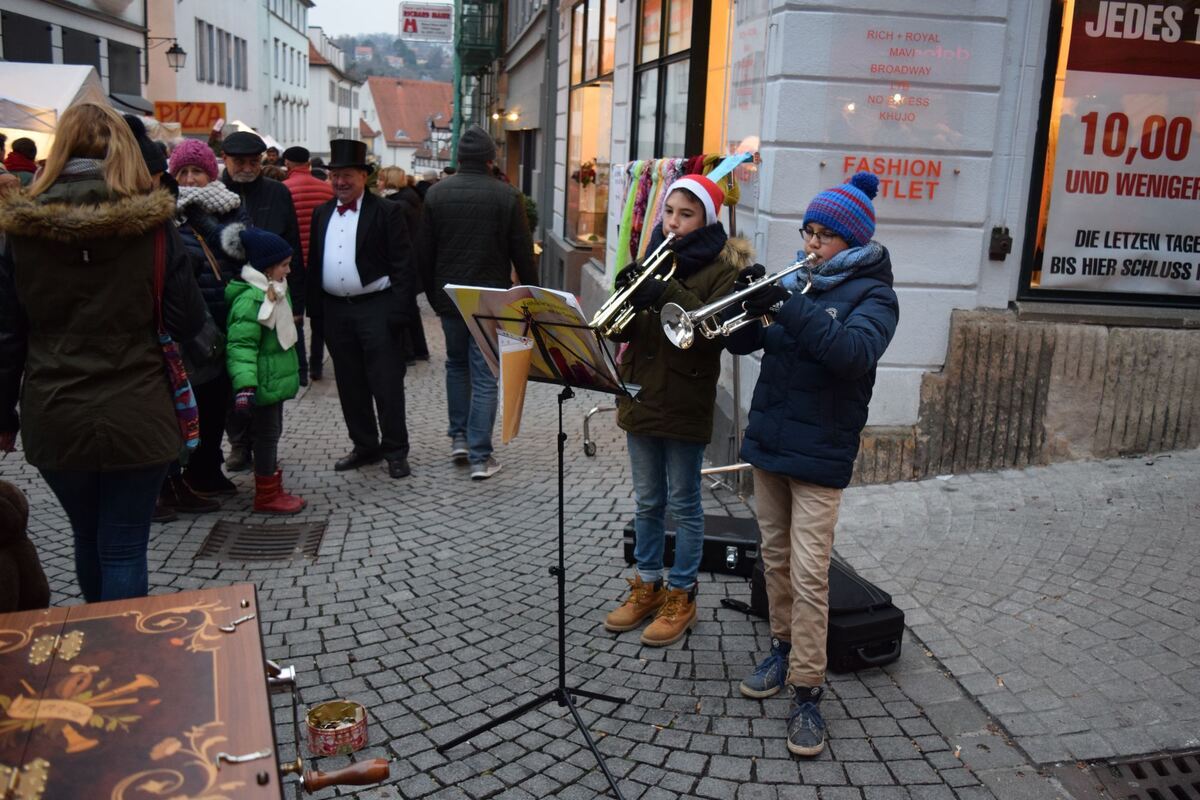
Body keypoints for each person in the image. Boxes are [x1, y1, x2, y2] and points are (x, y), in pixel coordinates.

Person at [0, 102, 207, 602]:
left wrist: (4, 414)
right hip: (139, 406)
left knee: (87, 536)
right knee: (124, 545)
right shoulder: (154, 225)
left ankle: (97, 656)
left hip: (56, 408)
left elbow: (7, 335)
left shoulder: (20, 230)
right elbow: (188, 320)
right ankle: (126, 659)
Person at [726, 172, 898, 757]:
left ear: (852, 241)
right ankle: (780, 646)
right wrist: (743, 320)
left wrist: (785, 307)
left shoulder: (876, 296)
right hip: (773, 442)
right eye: (808, 232)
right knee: (773, 560)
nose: (810, 244)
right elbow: (768, 345)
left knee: (809, 574)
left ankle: (807, 689)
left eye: (824, 236)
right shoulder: (802, 283)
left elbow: (849, 355)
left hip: (820, 452)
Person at [601, 175, 746, 646]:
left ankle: (682, 593)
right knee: (647, 500)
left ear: (706, 218)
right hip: (642, 395)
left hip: (685, 398)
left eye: (687, 215)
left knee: (684, 503)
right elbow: (628, 333)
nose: (674, 224)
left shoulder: (723, 268)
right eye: (669, 213)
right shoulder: (655, 259)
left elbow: (709, 333)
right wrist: (625, 302)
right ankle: (647, 584)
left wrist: (661, 293)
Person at [418, 125, 536, 479]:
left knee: (456, 365)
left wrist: (433, 295)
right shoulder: (506, 196)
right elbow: (522, 252)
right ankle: (480, 456)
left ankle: (459, 438)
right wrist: (532, 296)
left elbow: (424, 253)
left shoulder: (436, 194)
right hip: (490, 300)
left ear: (459, 158)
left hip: (451, 298)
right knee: (485, 373)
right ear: (490, 159)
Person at [306, 139, 415, 479]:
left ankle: (395, 450)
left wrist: (399, 312)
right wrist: (316, 311)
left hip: (376, 308)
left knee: (385, 382)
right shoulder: (322, 213)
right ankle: (365, 445)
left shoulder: (387, 212)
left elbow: (403, 265)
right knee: (350, 383)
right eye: (335, 175)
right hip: (336, 310)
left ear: (363, 177)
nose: (340, 182)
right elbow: (313, 263)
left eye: (347, 175)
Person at [169, 138, 249, 498]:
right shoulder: (165, 212)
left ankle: (207, 468)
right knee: (186, 399)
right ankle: (179, 472)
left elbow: (240, 250)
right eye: (182, 172)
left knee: (219, 400)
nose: (189, 179)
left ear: (210, 173)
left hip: (224, 316)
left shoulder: (231, 207)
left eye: (196, 171)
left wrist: (203, 218)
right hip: (187, 323)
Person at [219, 131, 303, 472]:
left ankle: (267, 441)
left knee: (272, 369)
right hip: (230, 295)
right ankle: (239, 443)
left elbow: (293, 243)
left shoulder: (277, 192)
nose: (248, 168)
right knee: (234, 374)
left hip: (274, 294)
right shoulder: (216, 192)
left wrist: (299, 305)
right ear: (225, 159)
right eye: (240, 162)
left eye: (255, 162)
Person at [225, 228, 306, 513]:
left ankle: (271, 484)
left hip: (273, 379)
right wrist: (246, 386)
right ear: (267, 268)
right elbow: (241, 346)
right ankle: (267, 494)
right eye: (284, 265)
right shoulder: (251, 299)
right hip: (261, 382)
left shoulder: (275, 290)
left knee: (272, 433)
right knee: (267, 435)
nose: (289, 269)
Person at [282, 145, 335, 384]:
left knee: (295, 316)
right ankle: (316, 365)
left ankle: (299, 367)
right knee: (320, 316)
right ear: (309, 164)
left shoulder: (283, 190)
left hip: (291, 263)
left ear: (288, 164)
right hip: (320, 261)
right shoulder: (327, 189)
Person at [376, 166, 429, 364]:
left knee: (402, 306)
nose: (378, 183)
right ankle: (419, 349)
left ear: (388, 181)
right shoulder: (411, 199)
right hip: (413, 260)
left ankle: (407, 352)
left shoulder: (396, 205)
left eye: (381, 180)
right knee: (411, 307)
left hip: (402, 262)